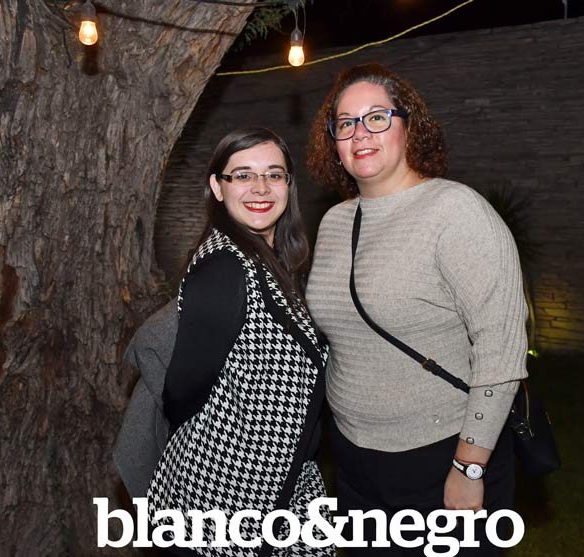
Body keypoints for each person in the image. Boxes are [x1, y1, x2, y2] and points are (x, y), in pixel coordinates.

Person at [305, 63, 528, 555]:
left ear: (409, 127)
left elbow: (502, 347)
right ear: (333, 143)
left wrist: (469, 467)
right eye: (345, 123)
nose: (360, 134)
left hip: (444, 455)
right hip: (354, 460)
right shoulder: (335, 222)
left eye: (377, 118)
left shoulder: (456, 211)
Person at [141, 128, 333, 557]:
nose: (260, 188)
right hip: (225, 494)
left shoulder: (270, 261)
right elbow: (182, 391)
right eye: (243, 175)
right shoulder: (225, 267)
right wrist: (235, 443)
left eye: (274, 175)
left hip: (277, 488)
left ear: (288, 185)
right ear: (217, 186)